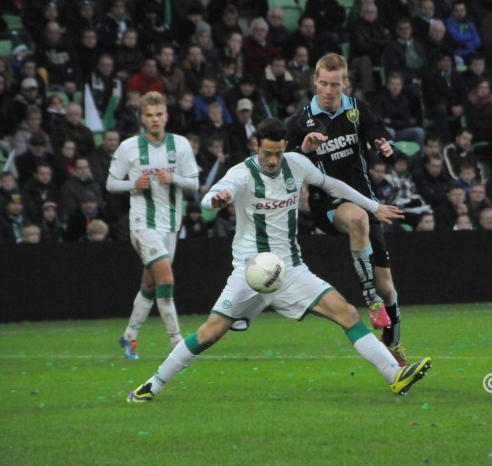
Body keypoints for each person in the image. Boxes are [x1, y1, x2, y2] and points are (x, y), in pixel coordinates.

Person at [126, 118, 431, 403]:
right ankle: (152, 384)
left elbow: (332, 185)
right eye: (267, 153)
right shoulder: (241, 174)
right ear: (255, 144)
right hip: (250, 272)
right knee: (210, 333)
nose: (273, 160)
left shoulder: (296, 165)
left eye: (279, 153)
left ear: (286, 147)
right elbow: (214, 194)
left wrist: (371, 205)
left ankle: (395, 375)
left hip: (290, 269)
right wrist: (215, 200)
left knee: (348, 313)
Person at [287, 53, 407, 364]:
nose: (328, 90)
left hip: (366, 200)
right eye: (323, 84)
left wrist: (385, 146)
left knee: (388, 288)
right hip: (327, 203)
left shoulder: (357, 110)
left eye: (335, 85)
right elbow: (283, 165)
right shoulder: (300, 122)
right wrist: (303, 149)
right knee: (355, 219)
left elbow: (380, 139)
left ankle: (393, 342)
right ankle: (370, 300)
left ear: (345, 84)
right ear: (315, 81)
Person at [107, 91, 199, 359]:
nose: (155, 119)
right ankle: (177, 342)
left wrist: (174, 178)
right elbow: (111, 184)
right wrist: (132, 184)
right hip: (142, 223)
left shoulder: (180, 145)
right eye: (149, 115)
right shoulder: (128, 148)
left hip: (170, 224)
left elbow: (193, 183)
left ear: (166, 116)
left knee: (149, 286)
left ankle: (128, 337)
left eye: (159, 114)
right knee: (166, 279)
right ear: (142, 118)